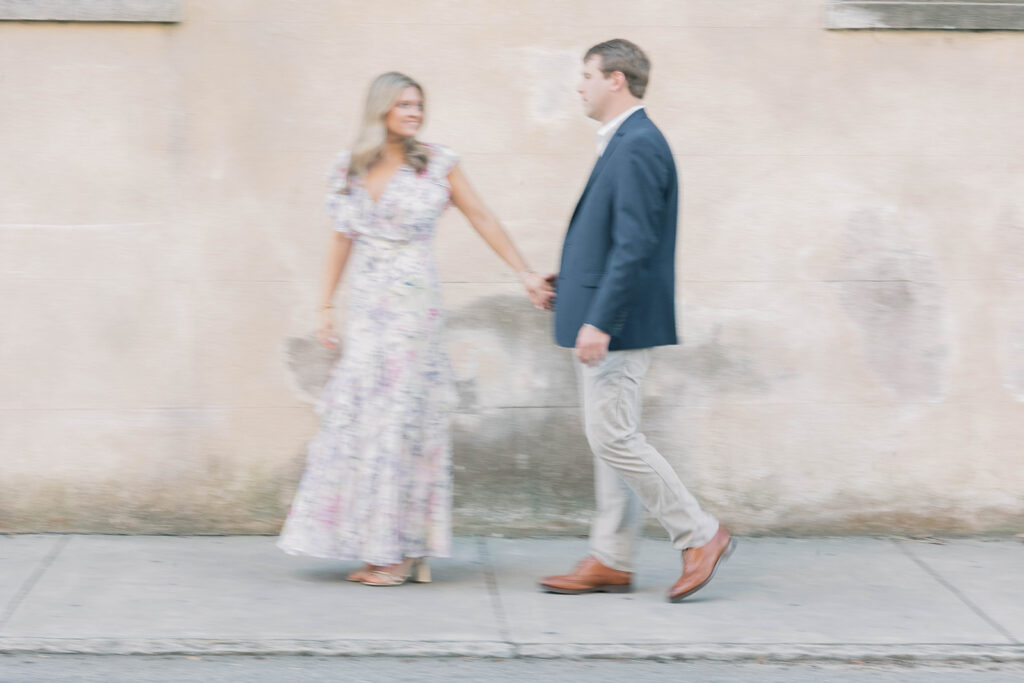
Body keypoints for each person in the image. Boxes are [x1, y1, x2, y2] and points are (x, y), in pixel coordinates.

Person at [278, 72, 553, 586]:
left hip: (413, 310)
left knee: (403, 420)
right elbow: (342, 239)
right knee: (365, 421)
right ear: (380, 109)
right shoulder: (350, 168)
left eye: (419, 105)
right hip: (369, 309)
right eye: (404, 104)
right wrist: (324, 306)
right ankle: (385, 545)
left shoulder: (438, 164)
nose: (414, 112)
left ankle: (398, 554)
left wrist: (524, 272)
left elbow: (484, 218)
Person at [538, 40, 735, 602]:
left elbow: (634, 244)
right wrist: (571, 288)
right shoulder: (625, 143)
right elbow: (612, 240)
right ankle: (611, 558)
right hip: (606, 316)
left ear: (616, 80)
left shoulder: (636, 145)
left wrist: (600, 320)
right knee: (609, 438)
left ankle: (701, 535)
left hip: (618, 327)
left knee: (615, 436)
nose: (579, 85)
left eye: (586, 75)